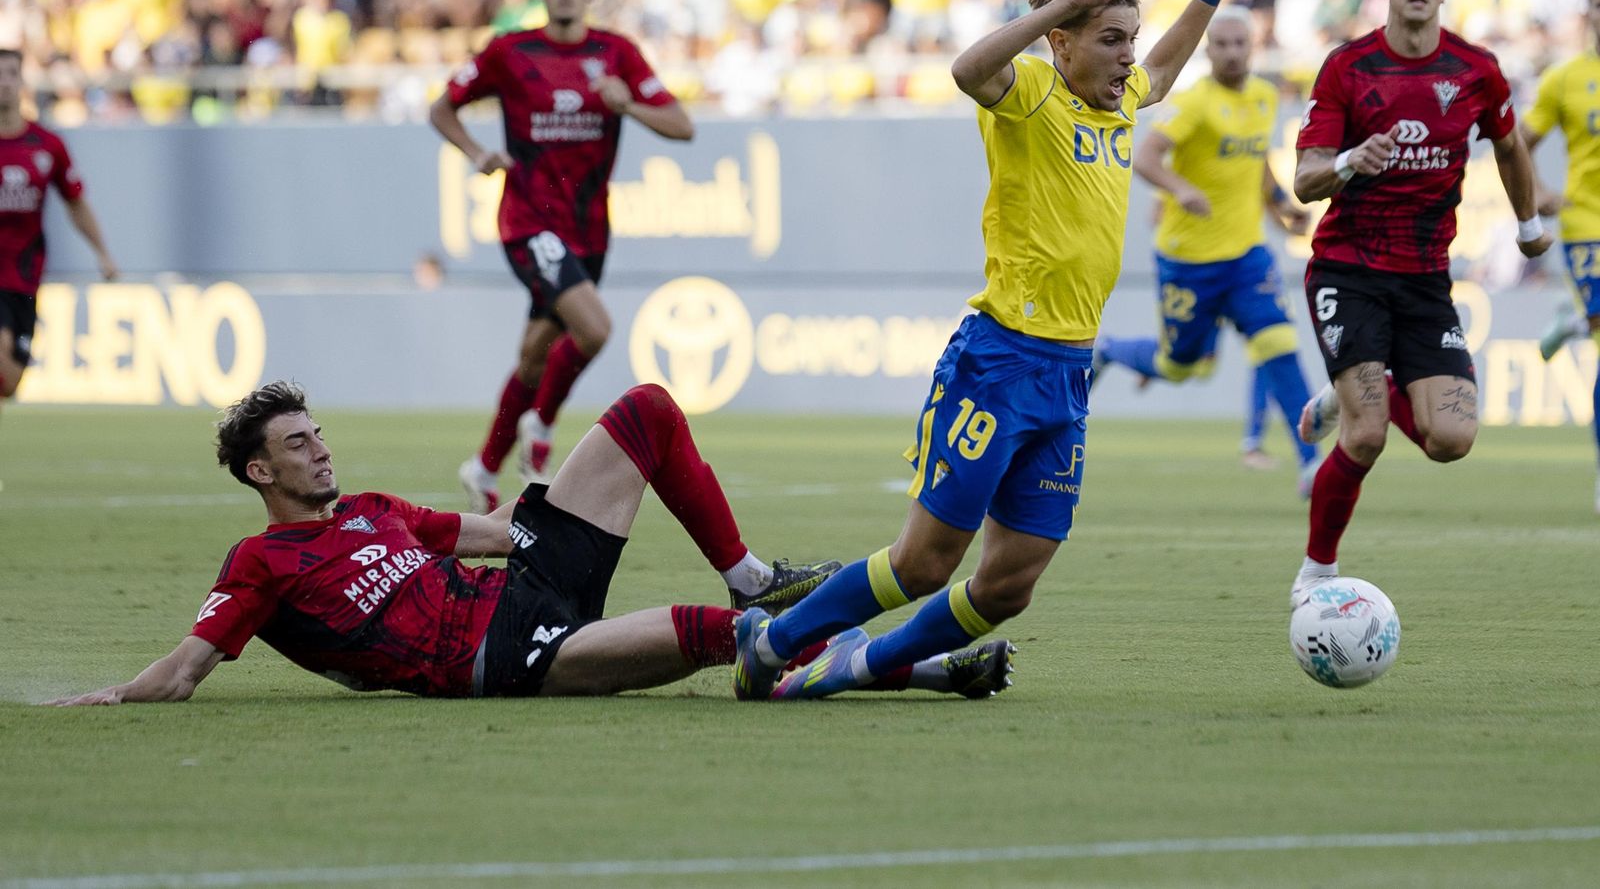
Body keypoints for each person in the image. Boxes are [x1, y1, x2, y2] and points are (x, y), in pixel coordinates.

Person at [730, 0, 1244, 701]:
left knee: (1010, 582)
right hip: (999, 360)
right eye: (1111, 39)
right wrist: (1060, 5)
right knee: (923, 563)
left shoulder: (1117, 100)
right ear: (1062, 41)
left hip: (1068, 374)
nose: (1128, 57)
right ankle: (774, 640)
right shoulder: (1031, 90)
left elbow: (1167, 68)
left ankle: (855, 665)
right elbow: (968, 69)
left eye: (1130, 40)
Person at [48, 381, 1008, 705]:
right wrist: (115, 694)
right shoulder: (260, 563)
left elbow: (504, 531)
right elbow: (185, 668)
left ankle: (752, 575)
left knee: (647, 410)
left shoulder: (372, 507)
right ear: (260, 471)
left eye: (318, 432)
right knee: (712, 635)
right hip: (501, 655)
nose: (321, 448)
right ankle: (920, 668)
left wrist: (557, 497)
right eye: (297, 443)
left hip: (523, 581)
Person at [1289, 0, 1552, 606]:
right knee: (1367, 434)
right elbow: (1306, 179)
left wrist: (1528, 227)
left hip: (1426, 277)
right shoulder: (1348, 67)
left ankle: (1353, 388)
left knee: (1451, 439)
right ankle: (1316, 574)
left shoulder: (1474, 69)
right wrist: (1350, 160)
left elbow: (1509, 145)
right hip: (1348, 270)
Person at [429, 0, 694, 512]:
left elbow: (682, 125)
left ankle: (483, 467)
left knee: (534, 356)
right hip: (527, 222)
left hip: (589, 231)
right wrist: (477, 152)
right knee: (594, 329)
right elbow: (441, 108)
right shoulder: (509, 50)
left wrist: (628, 106)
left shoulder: (617, 53)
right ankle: (542, 426)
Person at [1093, 6, 1321, 495]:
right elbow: (1146, 156)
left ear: (1253, 47)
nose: (1232, 52)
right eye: (1222, 44)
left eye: (1240, 43)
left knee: (1279, 345)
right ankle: (1109, 350)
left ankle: (1311, 464)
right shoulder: (1194, 102)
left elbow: (1257, 164)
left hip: (1246, 257)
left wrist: (1283, 209)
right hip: (1189, 260)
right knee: (1180, 367)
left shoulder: (1264, 97)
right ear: (1209, 49)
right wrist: (1180, 190)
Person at [0, 48, 118, 413]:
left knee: (10, 382)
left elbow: (76, 203)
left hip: (24, 276)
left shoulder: (46, 145)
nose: (4, 83)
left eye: (11, 74)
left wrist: (102, 253)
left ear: (22, 81)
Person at [1520, 0, 1600, 509]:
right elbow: (1518, 143)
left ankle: (1575, 322)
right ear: (1588, 14)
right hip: (1587, 225)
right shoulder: (1566, 79)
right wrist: (1541, 193)